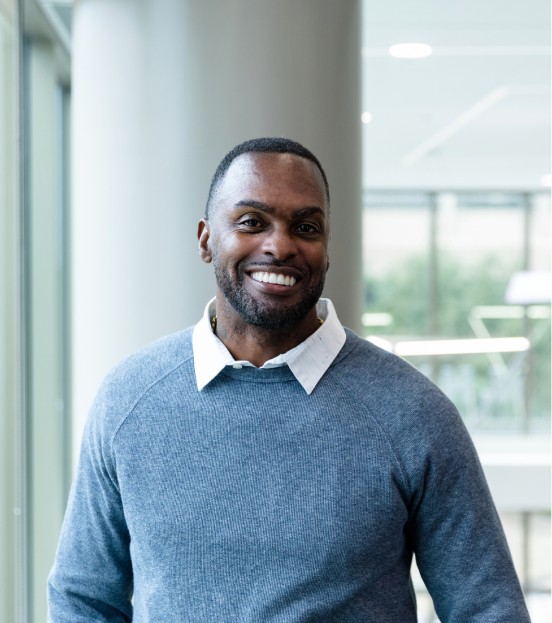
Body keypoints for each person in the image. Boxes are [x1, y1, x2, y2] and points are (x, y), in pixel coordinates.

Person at [48, 137, 530, 622]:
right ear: (205, 239)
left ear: (326, 249)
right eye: (251, 222)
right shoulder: (129, 398)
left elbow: (487, 609)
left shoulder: (414, 413)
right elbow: (83, 599)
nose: (279, 246)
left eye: (305, 227)